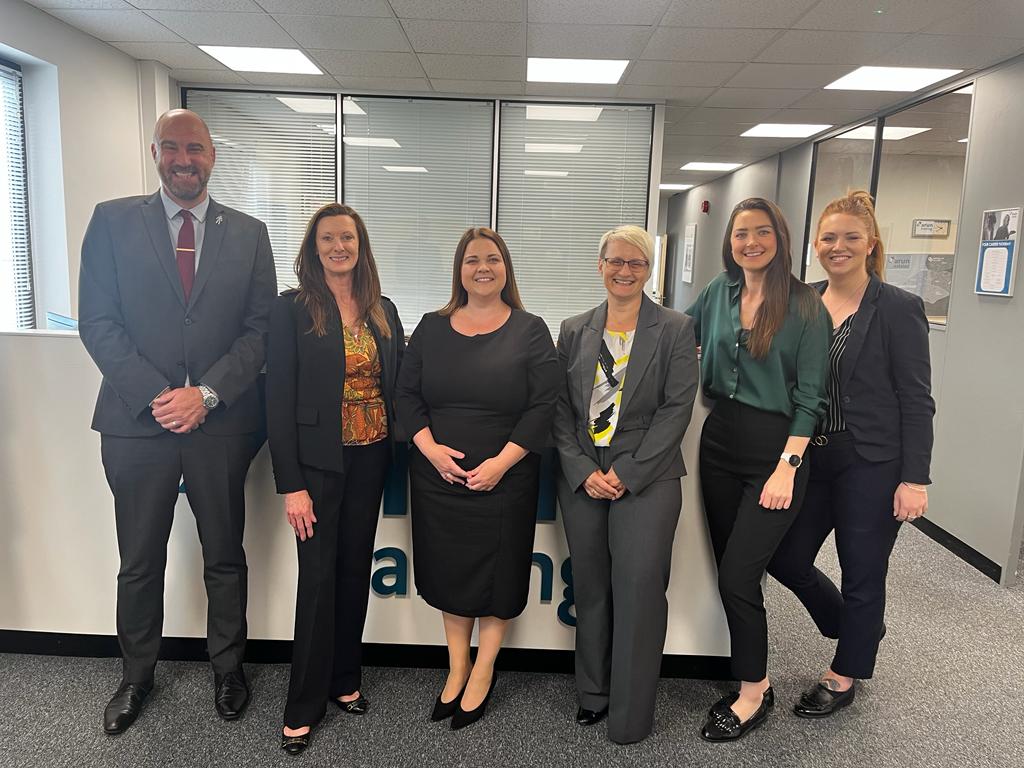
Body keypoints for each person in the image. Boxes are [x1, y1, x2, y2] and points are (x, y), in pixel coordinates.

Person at [78, 108, 277, 734]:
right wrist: (162, 395)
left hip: (221, 426)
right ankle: (136, 677)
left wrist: (207, 394)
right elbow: (98, 323)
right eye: (171, 148)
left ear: (213, 155)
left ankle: (229, 669)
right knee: (139, 559)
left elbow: (260, 330)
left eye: (194, 148)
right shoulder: (112, 222)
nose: (183, 159)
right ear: (156, 152)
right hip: (136, 425)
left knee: (225, 553)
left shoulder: (248, 233)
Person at [767, 190, 934, 718]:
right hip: (812, 459)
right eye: (828, 238)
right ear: (815, 245)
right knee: (784, 557)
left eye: (849, 238)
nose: (837, 247)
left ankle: (844, 673)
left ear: (870, 244)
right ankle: (854, 623)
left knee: (863, 569)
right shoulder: (804, 301)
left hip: (872, 462)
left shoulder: (898, 308)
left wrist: (916, 478)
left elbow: (916, 398)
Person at [394, 227, 559, 730]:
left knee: (499, 574)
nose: (482, 267)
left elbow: (543, 405)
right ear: (458, 270)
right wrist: (432, 453)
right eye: (472, 260)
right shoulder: (430, 325)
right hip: (438, 477)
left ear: (506, 267)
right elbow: (406, 397)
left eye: (492, 258)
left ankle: (484, 668)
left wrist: (500, 464)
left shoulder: (531, 330)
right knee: (448, 572)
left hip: (506, 480)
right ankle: (457, 666)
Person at [685, 198, 829, 741]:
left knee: (738, 575)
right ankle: (752, 663)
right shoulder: (717, 293)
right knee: (733, 568)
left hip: (778, 450)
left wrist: (787, 467)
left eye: (762, 232)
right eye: (741, 233)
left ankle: (754, 691)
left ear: (779, 237)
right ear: (729, 240)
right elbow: (676, 338)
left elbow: (811, 398)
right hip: (720, 442)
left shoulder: (805, 306)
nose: (751, 242)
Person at [266, 204, 405, 755]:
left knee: (353, 572)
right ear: (313, 246)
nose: (338, 246)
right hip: (318, 467)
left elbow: (401, 379)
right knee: (318, 579)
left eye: (347, 237)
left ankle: (345, 679)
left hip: (371, 459)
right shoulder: (292, 309)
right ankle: (302, 705)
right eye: (328, 238)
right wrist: (290, 484)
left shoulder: (382, 308)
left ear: (360, 244)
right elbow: (276, 403)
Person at [552, 225, 698, 744]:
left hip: (649, 476)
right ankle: (593, 695)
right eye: (615, 260)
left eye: (636, 263)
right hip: (584, 476)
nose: (624, 270)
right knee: (591, 588)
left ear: (650, 269)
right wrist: (582, 470)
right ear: (600, 265)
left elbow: (676, 409)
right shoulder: (573, 329)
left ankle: (631, 715)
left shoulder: (676, 329)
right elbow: (561, 410)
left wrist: (628, 472)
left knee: (637, 589)